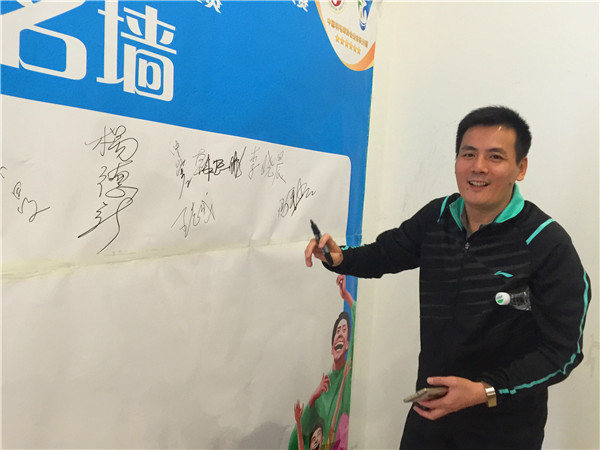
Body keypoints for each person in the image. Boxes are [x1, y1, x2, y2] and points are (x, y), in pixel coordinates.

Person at [304, 106, 591, 449]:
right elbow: (386, 253)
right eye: (468, 154)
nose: (478, 167)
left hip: (503, 429)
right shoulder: (439, 216)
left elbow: (563, 351)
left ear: (521, 168)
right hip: (429, 416)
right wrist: (339, 257)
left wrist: (485, 391)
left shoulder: (546, 242)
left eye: (495, 156)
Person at [289, 276, 355, 450]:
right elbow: (300, 438)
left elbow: (337, 414)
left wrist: (347, 297)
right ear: (332, 348)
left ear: (347, 344)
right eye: (337, 330)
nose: (340, 334)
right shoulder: (324, 387)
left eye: (344, 330)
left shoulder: (349, 371)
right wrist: (313, 398)